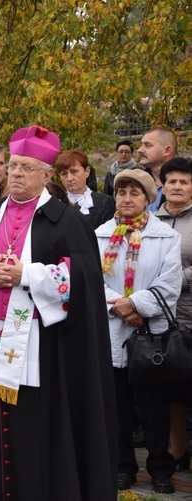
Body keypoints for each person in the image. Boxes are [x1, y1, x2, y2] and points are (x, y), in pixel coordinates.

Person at [0, 125, 116, 500]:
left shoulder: (67, 221)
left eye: (26, 167)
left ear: (47, 174)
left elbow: (84, 278)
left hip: (43, 350)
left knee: (35, 427)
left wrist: (30, 275)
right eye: (13, 166)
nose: (16, 173)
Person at [95, 168, 181, 494]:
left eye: (134, 193)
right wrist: (119, 306)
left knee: (154, 407)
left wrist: (137, 308)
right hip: (111, 330)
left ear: (147, 198)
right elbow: (93, 280)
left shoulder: (166, 237)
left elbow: (169, 283)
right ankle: (122, 466)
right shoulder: (100, 234)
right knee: (115, 406)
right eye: (121, 193)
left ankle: (161, 468)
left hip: (151, 335)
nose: (126, 199)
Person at [155, 157, 192, 471]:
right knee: (171, 390)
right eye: (172, 182)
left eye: (184, 182)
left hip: (191, 314)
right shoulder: (150, 220)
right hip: (161, 320)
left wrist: (171, 278)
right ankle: (176, 450)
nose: (177, 187)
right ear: (162, 186)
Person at [54, 149, 115, 229]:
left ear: (87, 171)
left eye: (74, 172)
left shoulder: (105, 202)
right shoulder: (55, 204)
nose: (69, 178)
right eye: (64, 174)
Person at [138, 127, 177, 212]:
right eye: (141, 145)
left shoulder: (186, 185)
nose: (140, 150)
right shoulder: (137, 181)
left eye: (147, 145)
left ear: (167, 150)